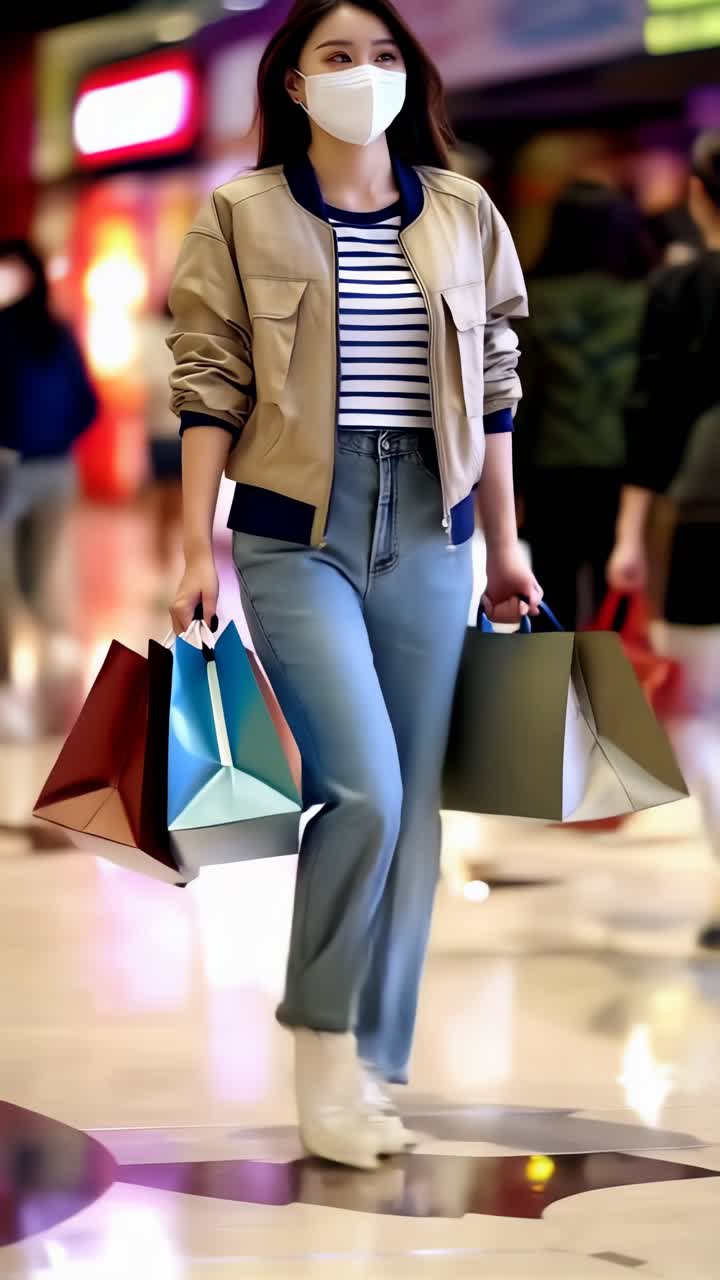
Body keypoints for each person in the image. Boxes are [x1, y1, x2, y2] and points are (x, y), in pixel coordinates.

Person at [168, 0, 542, 1170]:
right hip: (298, 535)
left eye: (383, 56)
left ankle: (375, 1061)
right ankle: (319, 1045)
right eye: (337, 56)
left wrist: (509, 542)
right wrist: (193, 546)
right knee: (366, 792)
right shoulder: (242, 211)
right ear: (291, 82)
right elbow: (208, 380)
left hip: (434, 532)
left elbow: (495, 384)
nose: (363, 76)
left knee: (416, 812)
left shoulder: (465, 211)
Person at [608, 131, 720, 950]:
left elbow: (652, 415)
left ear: (698, 197)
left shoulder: (683, 290)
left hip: (706, 511)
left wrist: (628, 535)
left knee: (703, 713)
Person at [514, 181, 654, 629]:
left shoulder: (530, 299)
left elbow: (520, 395)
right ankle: (614, 696)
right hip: (625, 469)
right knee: (619, 593)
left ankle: (563, 695)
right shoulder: (645, 298)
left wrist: (510, 482)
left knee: (552, 595)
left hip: (550, 468)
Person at [0, 240, 97, 721]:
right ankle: (53, 676)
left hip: (17, 468)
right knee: (32, 580)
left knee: (24, 580)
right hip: (57, 468)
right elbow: (87, 404)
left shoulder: (28, 332)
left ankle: (35, 686)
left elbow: (86, 401)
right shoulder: (59, 332)